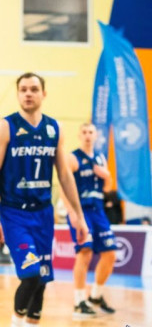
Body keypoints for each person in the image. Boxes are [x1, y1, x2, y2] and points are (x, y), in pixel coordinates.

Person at [0, 72, 89, 326]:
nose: (28, 93)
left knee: (41, 279)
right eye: (23, 89)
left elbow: (64, 174)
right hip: (14, 213)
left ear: (44, 93)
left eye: (33, 89)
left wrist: (78, 215)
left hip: (43, 213)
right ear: (18, 93)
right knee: (30, 274)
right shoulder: (6, 126)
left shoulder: (54, 128)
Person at [60, 122, 117, 318]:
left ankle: (96, 296)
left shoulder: (101, 157)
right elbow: (63, 185)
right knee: (84, 252)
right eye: (84, 132)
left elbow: (107, 189)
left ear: (96, 135)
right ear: (79, 135)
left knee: (110, 253)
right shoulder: (73, 158)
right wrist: (71, 213)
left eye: (90, 132)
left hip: (98, 210)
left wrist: (108, 176)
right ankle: (78, 301)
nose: (87, 135)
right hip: (81, 211)